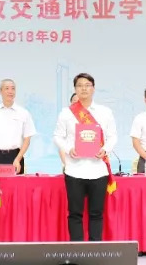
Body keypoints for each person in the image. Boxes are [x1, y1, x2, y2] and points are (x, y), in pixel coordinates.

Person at [53, 73, 117, 242]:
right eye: (80, 85)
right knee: (75, 214)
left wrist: (105, 149)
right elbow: (58, 136)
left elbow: (112, 137)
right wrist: (68, 149)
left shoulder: (105, 112)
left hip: (98, 170)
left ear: (93, 89)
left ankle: (95, 250)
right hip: (74, 170)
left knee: (96, 213)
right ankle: (77, 250)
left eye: (87, 85)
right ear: (75, 89)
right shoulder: (66, 113)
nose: (84, 88)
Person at [0, 79, 37, 174]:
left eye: (13, 88)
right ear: (0, 91)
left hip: (16, 157)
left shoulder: (23, 113)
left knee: (17, 183)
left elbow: (27, 139)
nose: (10, 91)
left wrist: (18, 158)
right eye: (7, 88)